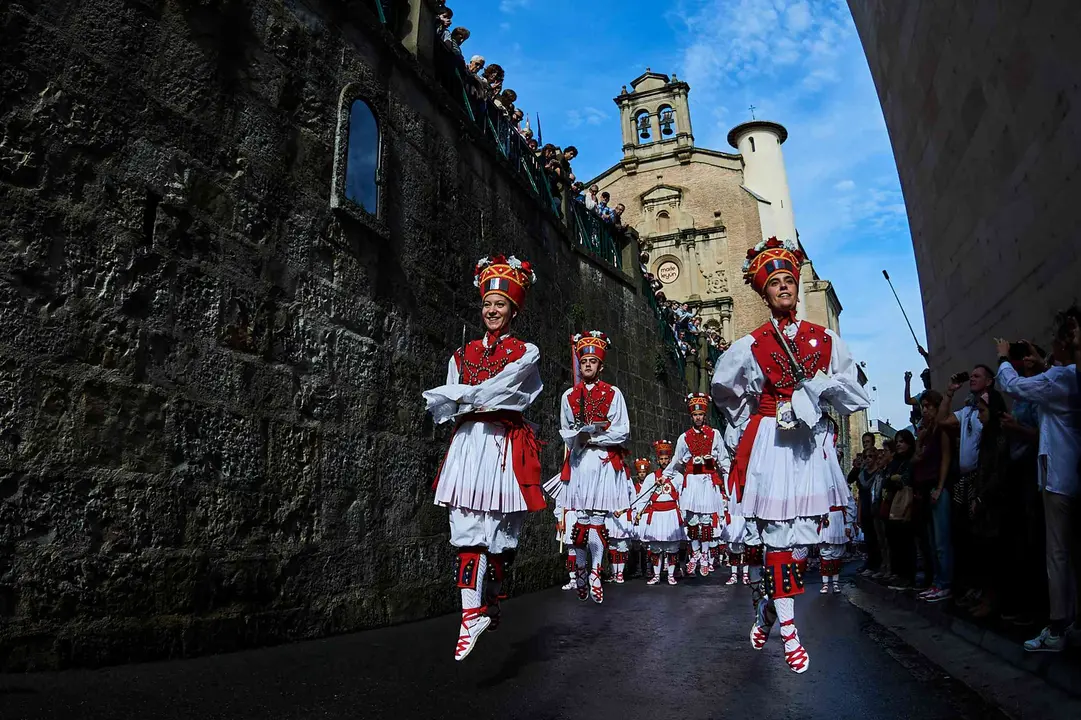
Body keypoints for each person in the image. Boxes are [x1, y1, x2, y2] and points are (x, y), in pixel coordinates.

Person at [712, 237, 870, 673]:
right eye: (774, 283)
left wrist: (823, 392)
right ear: (764, 293)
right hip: (774, 443)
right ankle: (790, 630)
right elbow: (725, 391)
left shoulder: (826, 339)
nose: (782, 288)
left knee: (802, 544)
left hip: (811, 445)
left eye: (787, 281)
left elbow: (853, 391)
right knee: (778, 537)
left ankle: (768, 610)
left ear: (797, 288)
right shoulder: (750, 344)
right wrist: (754, 418)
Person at [424, 255, 544, 661]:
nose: (493, 311)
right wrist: (460, 399)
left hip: (500, 443)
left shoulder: (526, 352)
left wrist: (462, 396)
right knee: (465, 527)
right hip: (468, 443)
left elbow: (503, 392)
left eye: (501, 305)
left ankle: (490, 597)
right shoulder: (462, 354)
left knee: (497, 533)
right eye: (488, 304)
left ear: (513, 310)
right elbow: (448, 407)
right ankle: (470, 613)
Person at [994, 311, 1081, 653]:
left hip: (1059, 475)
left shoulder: (1059, 379)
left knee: (1057, 554)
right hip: (1071, 470)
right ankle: (1073, 621)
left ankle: (1058, 626)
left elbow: (1012, 385)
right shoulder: (1068, 377)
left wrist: (1004, 357)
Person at [556, 331, 632, 604]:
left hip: (602, 461)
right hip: (579, 460)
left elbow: (622, 431)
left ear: (601, 365)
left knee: (598, 519)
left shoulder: (613, 393)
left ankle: (597, 571)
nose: (588, 365)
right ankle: (579, 569)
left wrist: (595, 436)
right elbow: (565, 430)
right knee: (580, 520)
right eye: (584, 360)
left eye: (593, 361)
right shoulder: (569, 395)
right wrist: (579, 437)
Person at [662, 393, 731, 577]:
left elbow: (723, 459)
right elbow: (676, 459)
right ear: (691, 416)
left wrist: (729, 475)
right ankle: (695, 553)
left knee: (706, 520)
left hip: (707, 479)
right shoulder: (684, 437)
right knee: (692, 520)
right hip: (692, 479)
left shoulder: (714, 434)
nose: (698, 417)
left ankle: (706, 555)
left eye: (700, 414)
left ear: (704, 415)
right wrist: (665, 475)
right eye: (695, 415)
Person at [913, 391, 954, 603]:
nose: (925, 410)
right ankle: (937, 582)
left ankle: (945, 583)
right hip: (925, 489)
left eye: (929, 406)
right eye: (923, 406)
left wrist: (940, 486)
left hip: (938, 488)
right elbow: (917, 460)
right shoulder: (926, 432)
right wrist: (919, 442)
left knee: (941, 541)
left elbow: (946, 458)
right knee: (931, 541)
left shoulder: (941, 430)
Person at [637, 440, 686, 586]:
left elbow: (683, 496)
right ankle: (656, 575)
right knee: (656, 547)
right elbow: (643, 498)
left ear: (670, 460)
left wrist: (683, 514)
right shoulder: (651, 478)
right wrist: (640, 513)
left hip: (671, 514)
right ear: (658, 460)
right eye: (661, 459)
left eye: (666, 459)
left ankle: (671, 575)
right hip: (656, 515)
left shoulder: (678, 477)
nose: (664, 461)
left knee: (672, 547)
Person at [818, 416, 855, 594]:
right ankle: (826, 582)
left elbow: (849, 504)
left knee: (837, 552)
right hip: (825, 518)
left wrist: (849, 523)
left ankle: (835, 582)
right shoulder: (820, 479)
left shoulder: (840, 483)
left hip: (838, 518)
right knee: (825, 551)